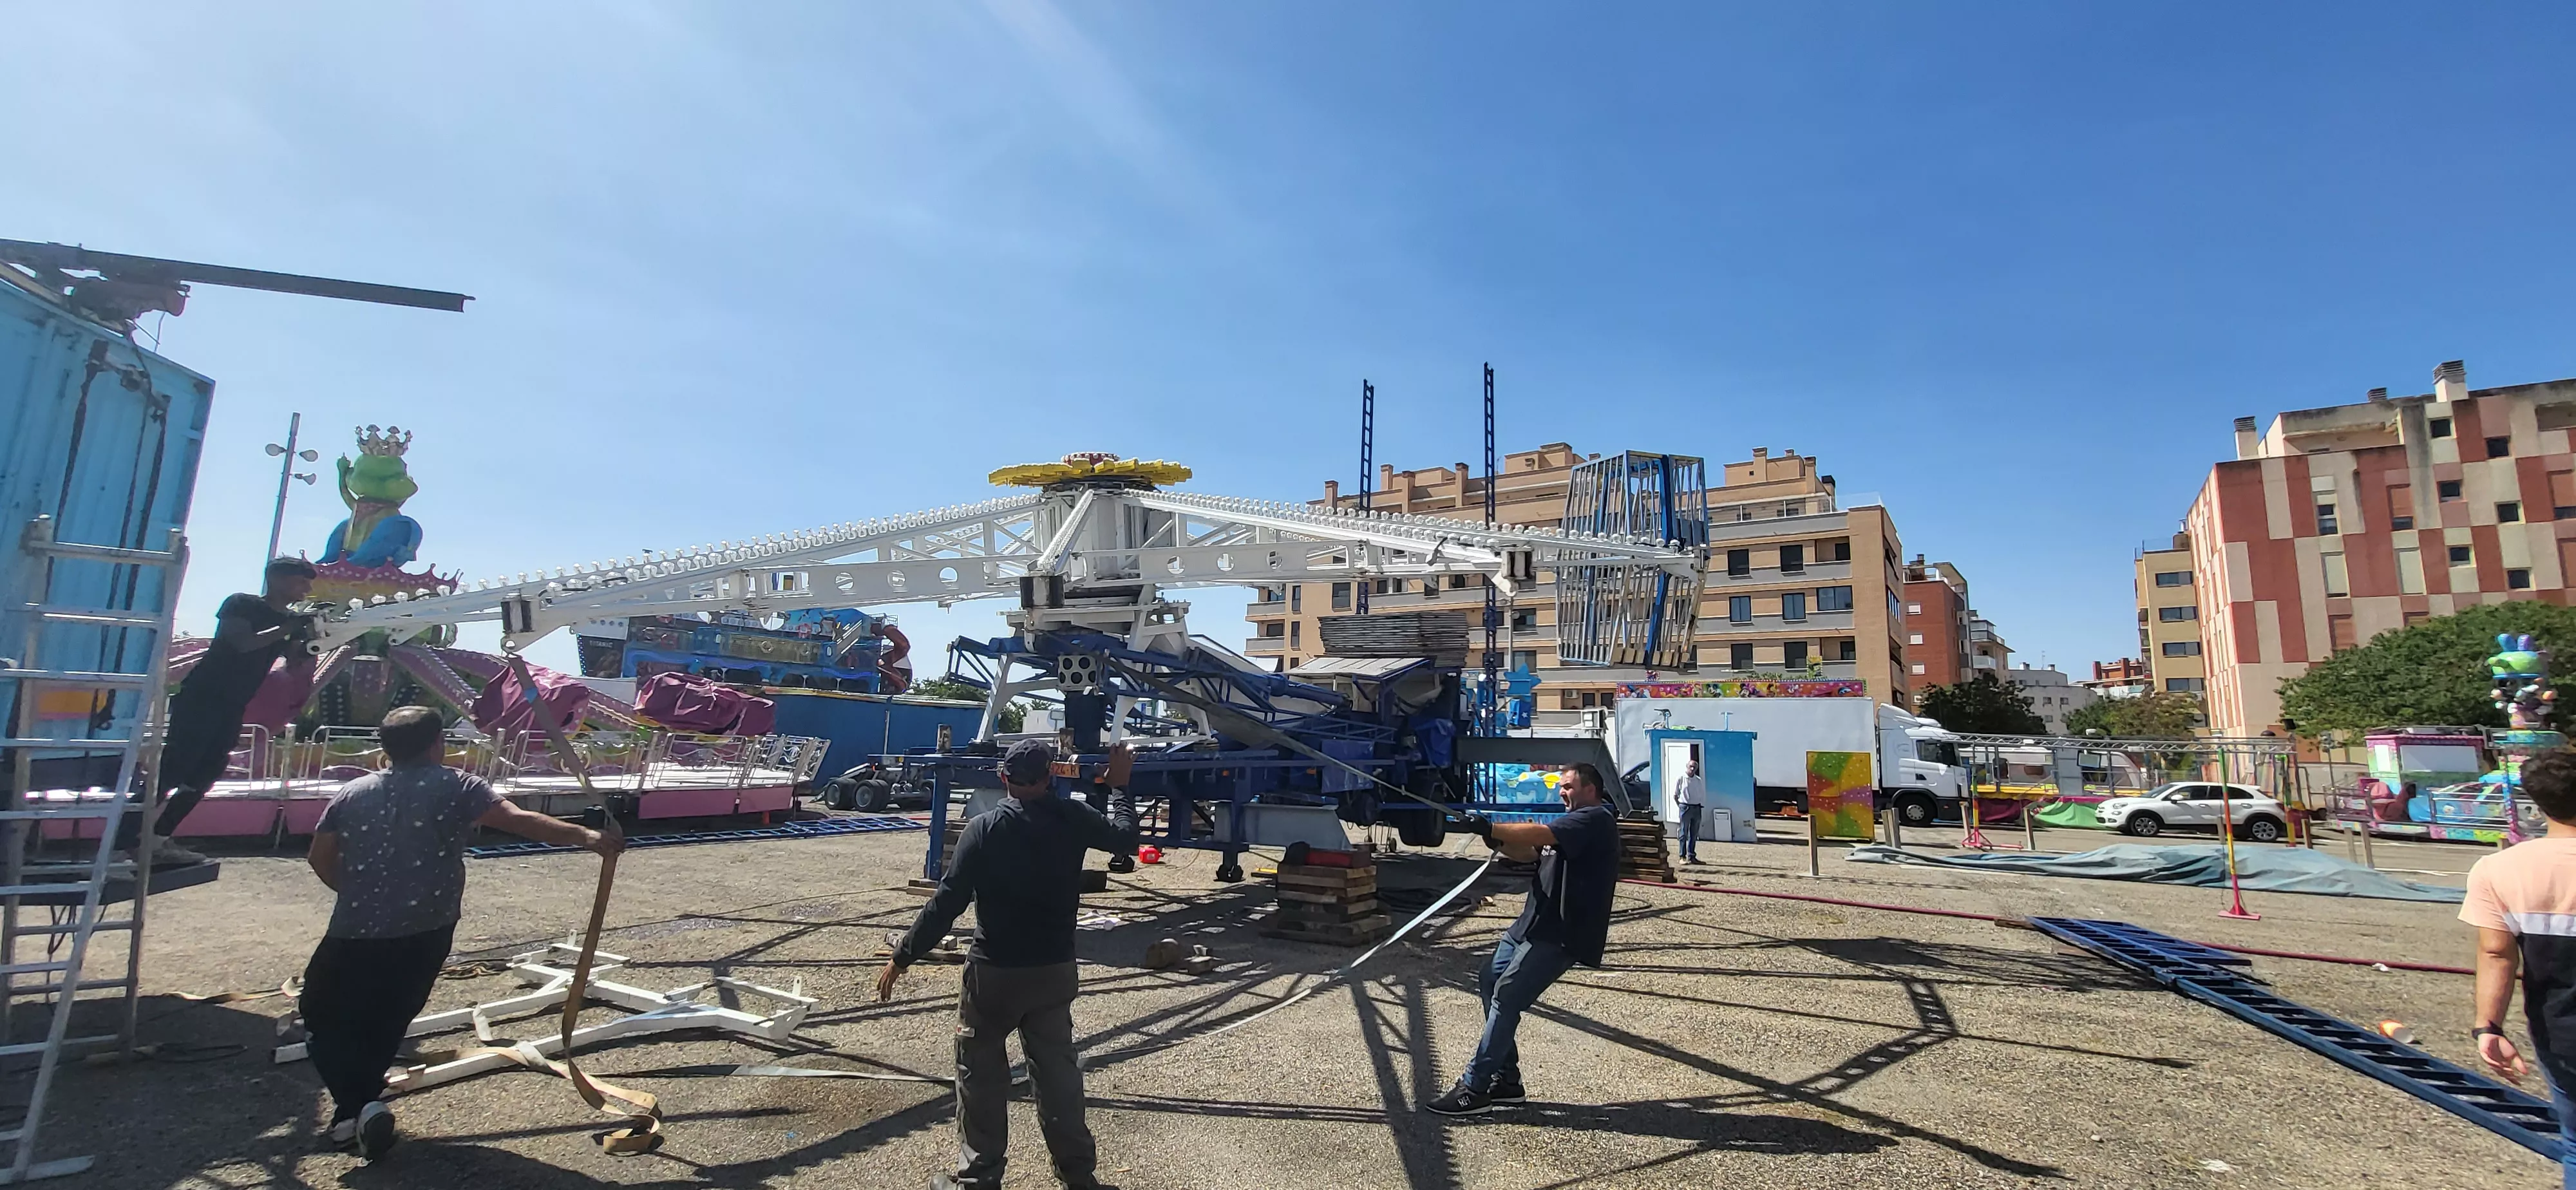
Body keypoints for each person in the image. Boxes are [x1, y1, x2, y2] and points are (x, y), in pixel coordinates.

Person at [299, 705, 621, 1162]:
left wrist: (356, 892)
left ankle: (355, 1108)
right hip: (428, 930)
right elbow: (517, 819)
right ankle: (359, 1110)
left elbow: (320, 856)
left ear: (385, 747)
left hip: (356, 930)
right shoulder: (457, 786)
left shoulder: (352, 793)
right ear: (438, 745)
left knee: (321, 1014)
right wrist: (587, 837)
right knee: (389, 1016)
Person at [878, 739, 1139, 1190]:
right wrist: (1119, 787)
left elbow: (947, 904)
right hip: (1053, 971)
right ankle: (1078, 1176)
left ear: (1004, 779)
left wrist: (904, 956)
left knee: (980, 1076)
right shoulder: (1072, 820)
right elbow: (1124, 836)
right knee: (1058, 1074)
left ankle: (979, 1179)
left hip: (993, 975)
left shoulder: (983, 830)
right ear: (1049, 777)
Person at [1425, 761, 1620, 1116]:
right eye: (1562, 787)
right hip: (1529, 927)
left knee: (1508, 995)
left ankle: (1475, 1086)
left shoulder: (1595, 819)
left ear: (1591, 789)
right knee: (1490, 981)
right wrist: (1491, 836)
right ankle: (1508, 1082)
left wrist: (1492, 824)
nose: (1563, 792)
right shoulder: (1572, 826)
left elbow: (1539, 836)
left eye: (1570, 786)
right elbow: (1529, 853)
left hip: (1559, 933)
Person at [125, 557, 319, 865]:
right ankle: (121, 845)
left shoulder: (289, 621)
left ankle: (158, 840)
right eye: (301, 581)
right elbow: (240, 643)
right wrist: (288, 627)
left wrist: (309, 640)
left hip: (233, 704)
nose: (307, 588)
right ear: (279, 580)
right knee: (173, 770)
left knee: (207, 772)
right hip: (203, 698)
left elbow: (293, 662)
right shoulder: (243, 604)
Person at [2462, 748, 2576, 1189]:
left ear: (2535, 803)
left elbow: (2496, 954)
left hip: (2561, 1029)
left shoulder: (2499, 869)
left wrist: (2487, 1027)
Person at [1674, 758, 1706, 864]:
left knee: (1694, 833)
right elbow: (1675, 795)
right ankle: (1682, 856)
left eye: (1694, 767)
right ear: (1687, 767)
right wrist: (1680, 806)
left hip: (1696, 807)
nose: (1692, 769)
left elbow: (1701, 794)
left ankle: (1691, 856)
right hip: (1685, 807)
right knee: (1683, 832)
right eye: (1690, 767)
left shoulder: (1698, 780)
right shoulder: (1681, 778)